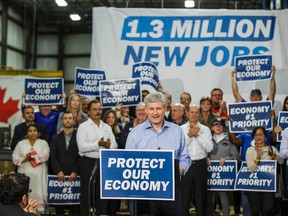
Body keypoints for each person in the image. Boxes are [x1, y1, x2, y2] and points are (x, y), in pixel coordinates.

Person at [125, 92, 191, 216]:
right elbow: (129, 162)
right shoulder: (135, 133)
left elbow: (185, 158)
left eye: (158, 108)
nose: (155, 113)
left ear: (165, 109)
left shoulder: (177, 131)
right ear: (146, 110)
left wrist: (179, 169)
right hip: (144, 194)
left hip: (171, 191)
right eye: (151, 109)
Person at [76, 100, 117, 216]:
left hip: (104, 162)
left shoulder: (107, 127)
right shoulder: (83, 127)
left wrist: (108, 146)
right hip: (87, 162)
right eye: (94, 109)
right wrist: (98, 145)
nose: (98, 112)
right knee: (86, 193)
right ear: (88, 112)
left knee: (102, 194)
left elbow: (115, 145)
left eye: (99, 109)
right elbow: (82, 147)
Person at [180, 105, 213, 216]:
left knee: (201, 197)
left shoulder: (205, 129)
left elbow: (209, 148)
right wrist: (189, 136)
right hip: (186, 165)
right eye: (192, 112)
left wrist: (197, 135)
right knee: (184, 196)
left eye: (196, 112)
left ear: (199, 114)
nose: (194, 115)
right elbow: (179, 149)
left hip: (200, 165)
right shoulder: (181, 129)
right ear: (187, 113)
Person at [246, 126, 283, 215]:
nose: (258, 137)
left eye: (261, 134)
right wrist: (258, 157)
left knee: (268, 208)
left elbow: (281, 161)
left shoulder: (272, 149)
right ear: (253, 138)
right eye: (256, 135)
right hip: (254, 185)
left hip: (268, 185)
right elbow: (251, 168)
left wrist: (273, 155)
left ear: (265, 136)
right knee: (255, 209)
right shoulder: (250, 150)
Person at [12, 124, 50, 213]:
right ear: (26, 133)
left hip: (39, 173)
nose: (32, 133)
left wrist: (32, 157)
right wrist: (25, 158)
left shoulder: (43, 143)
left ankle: (39, 211)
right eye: (30, 131)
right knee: (25, 191)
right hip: (24, 172)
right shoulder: (20, 143)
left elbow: (46, 155)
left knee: (39, 190)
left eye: (35, 131)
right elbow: (14, 158)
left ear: (38, 133)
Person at [50, 111, 81, 216]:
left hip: (75, 176)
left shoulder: (79, 137)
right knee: (60, 209)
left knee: (76, 208)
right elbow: (53, 157)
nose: (68, 120)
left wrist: (75, 171)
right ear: (62, 120)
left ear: (74, 120)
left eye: (70, 118)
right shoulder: (55, 138)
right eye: (65, 118)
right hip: (60, 177)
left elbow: (82, 156)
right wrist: (58, 171)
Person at [207, 118, 240, 216]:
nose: (218, 127)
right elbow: (202, 153)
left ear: (224, 127)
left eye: (220, 125)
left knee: (224, 197)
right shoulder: (207, 139)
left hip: (224, 175)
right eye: (216, 125)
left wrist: (227, 159)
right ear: (212, 128)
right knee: (210, 198)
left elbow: (236, 157)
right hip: (210, 174)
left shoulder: (229, 140)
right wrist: (206, 158)